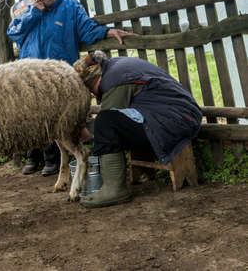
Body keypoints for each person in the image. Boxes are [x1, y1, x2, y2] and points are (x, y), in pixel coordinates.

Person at [7, 0, 136, 176]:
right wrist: (35, 12)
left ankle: (53, 159)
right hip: (31, 71)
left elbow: (86, 28)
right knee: (31, 114)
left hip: (59, 73)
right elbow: (14, 32)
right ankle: (33, 156)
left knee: (56, 114)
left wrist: (109, 31)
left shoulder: (69, 6)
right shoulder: (28, 9)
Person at [73, 50, 202, 208]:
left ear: (92, 82)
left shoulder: (114, 81)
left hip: (175, 120)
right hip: (176, 114)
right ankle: (135, 176)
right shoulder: (115, 67)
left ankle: (114, 189)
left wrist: (79, 132)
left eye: (90, 92)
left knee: (105, 122)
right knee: (110, 121)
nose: (93, 95)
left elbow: (105, 123)